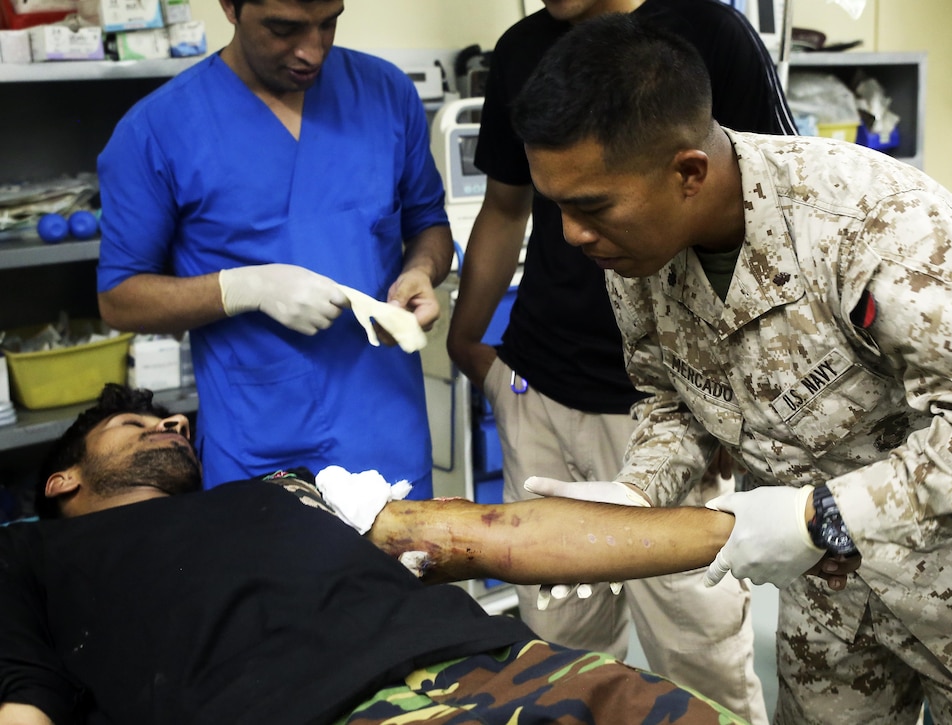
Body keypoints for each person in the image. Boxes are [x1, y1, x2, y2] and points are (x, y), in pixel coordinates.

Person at [509, 13, 952, 724]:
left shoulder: (874, 225)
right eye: (558, 206)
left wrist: (819, 515)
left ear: (688, 172)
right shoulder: (635, 251)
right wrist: (640, 493)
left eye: (589, 207)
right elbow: (672, 399)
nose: (572, 234)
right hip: (829, 602)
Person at [0, 384, 750, 725]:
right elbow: (25, 700)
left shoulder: (284, 488)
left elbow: (500, 533)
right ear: (63, 478)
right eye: (134, 422)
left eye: (168, 416)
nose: (169, 421)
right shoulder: (34, 550)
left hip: (501, 661)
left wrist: (766, 528)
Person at [445, 0, 792, 716]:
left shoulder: (708, 35)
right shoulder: (523, 49)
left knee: (699, 650)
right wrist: (468, 340)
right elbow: (506, 210)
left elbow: (771, 215)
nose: (576, 233)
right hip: (534, 382)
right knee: (557, 648)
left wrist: (739, 405)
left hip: (671, 405)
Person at [95, 0, 453, 496]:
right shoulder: (157, 130)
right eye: (284, 29)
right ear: (230, 7)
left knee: (399, 571)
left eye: (328, 23)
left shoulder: (385, 93)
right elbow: (119, 297)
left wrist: (420, 272)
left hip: (386, 431)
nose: (313, 50)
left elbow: (428, 223)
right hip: (260, 446)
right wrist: (244, 288)